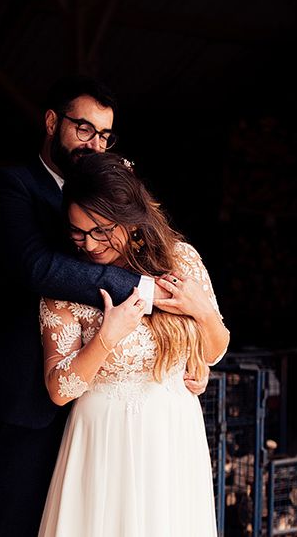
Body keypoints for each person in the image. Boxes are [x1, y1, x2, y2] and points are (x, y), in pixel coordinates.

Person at [0, 74, 207, 537]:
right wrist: (146, 290)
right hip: (27, 389)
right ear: (52, 122)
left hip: (101, 407)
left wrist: (188, 349)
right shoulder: (11, 186)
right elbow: (38, 268)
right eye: (84, 128)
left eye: (105, 135)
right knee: (17, 520)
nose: (94, 142)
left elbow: (145, 244)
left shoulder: (110, 195)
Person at [37, 151, 230, 537]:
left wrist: (203, 312)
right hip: (103, 440)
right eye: (78, 231)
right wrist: (107, 336)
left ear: (131, 221)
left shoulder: (182, 261)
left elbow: (215, 349)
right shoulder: (66, 281)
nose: (89, 244)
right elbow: (59, 390)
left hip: (173, 437)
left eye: (102, 230)